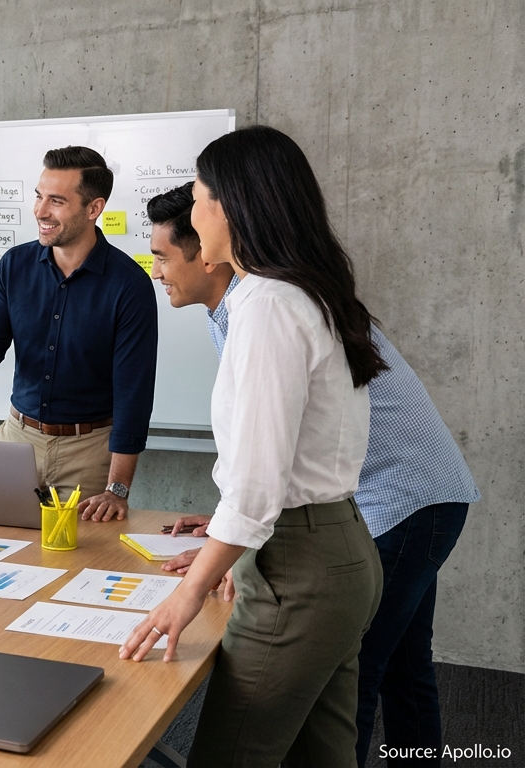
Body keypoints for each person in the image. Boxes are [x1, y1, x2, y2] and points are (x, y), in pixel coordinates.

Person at [146, 182, 480, 767]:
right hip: (382, 499)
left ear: (207, 249)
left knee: (360, 676)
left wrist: (224, 547)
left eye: (163, 257)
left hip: (401, 496)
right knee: (401, 666)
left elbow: (265, 459)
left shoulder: (268, 309)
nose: (156, 272)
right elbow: (273, 443)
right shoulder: (245, 309)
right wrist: (232, 520)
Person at [120, 125, 387, 768]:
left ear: (232, 208)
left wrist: (190, 593)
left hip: (300, 570)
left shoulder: (265, 302)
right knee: (323, 755)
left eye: (201, 197)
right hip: (337, 554)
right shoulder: (303, 290)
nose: (194, 211)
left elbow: (259, 482)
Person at [0, 146, 157, 521]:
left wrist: (117, 489)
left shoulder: (129, 285)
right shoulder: (14, 265)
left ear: (94, 208)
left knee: (76, 566)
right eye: (38, 196)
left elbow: (134, 394)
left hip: (89, 451)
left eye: (56, 201)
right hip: (18, 440)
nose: (40, 211)